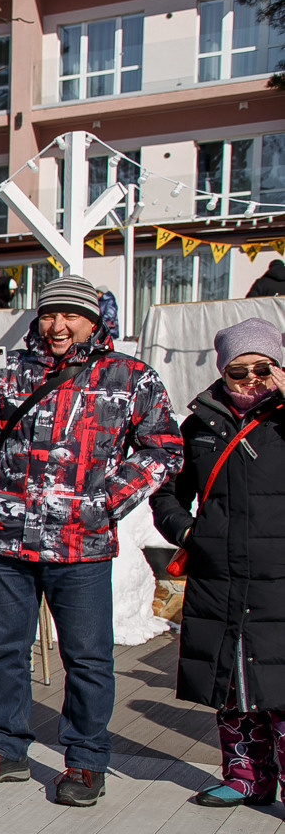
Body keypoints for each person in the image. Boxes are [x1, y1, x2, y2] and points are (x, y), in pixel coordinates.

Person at [0, 275, 181, 805]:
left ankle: (86, 760)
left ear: (95, 320)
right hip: (6, 540)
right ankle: (7, 749)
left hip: (79, 543)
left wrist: (105, 501)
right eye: (48, 315)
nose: (58, 326)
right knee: (5, 651)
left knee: (87, 657)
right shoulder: (7, 371)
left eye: (71, 316)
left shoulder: (131, 377)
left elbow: (164, 451)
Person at [151, 317, 285, 807]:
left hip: (280, 575)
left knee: (282, 681)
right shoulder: (199, 425)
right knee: (230, 679)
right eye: (239, 370)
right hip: (219, 573)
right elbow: (167, 491)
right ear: (222, 372)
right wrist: (187, 532)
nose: (251, 379)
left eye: (262, 367)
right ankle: (245, 777)